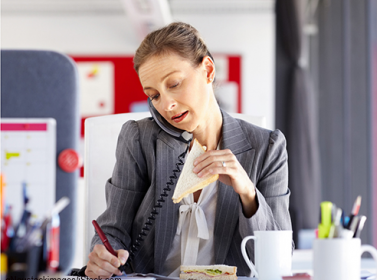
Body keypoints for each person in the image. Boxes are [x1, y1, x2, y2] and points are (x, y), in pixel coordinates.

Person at [85, 22, 291, 278]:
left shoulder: (267, 147)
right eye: (154, 96)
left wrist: (248, 193)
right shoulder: (140, 139)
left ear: (207, 70)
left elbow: (280, 261)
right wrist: (104, 256)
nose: (167, 105)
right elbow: (113, 230)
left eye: (174, 84)